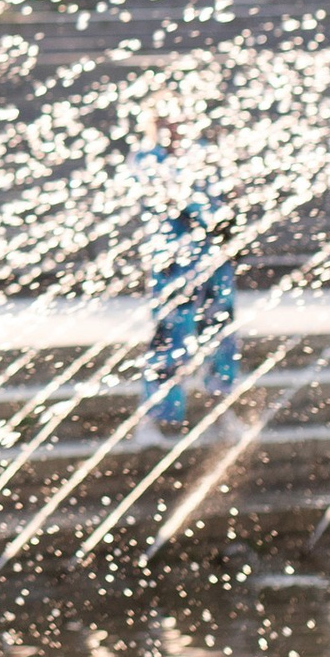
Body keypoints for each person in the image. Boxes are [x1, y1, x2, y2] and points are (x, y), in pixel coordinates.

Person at [136, 113, 237, 439]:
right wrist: (211, 217)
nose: (173, 127)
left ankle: (221, 408)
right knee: (170, 336)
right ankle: (159, 418)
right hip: (172, 262)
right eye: (164, 120)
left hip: (213, 259)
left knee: (220, 334)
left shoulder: (204, 153)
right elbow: (171, 194)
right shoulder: (147, 158)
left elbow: (228, 190)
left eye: (178, 118)